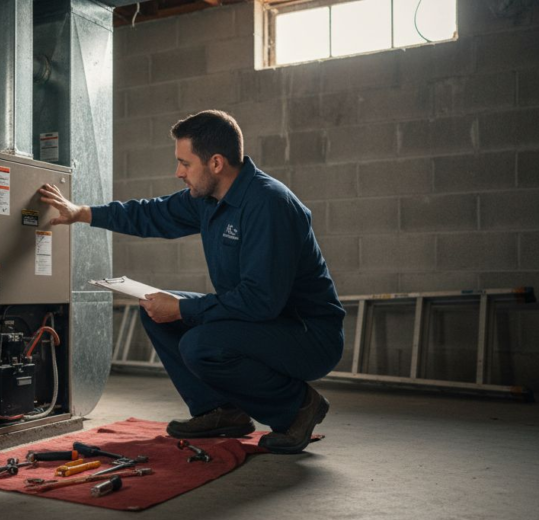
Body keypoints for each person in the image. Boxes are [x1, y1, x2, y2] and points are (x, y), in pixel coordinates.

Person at [38, 110, 345, 454]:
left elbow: (261, 300)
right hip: (264, 319)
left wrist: (184, 308)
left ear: (215, 163)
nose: (178, 172)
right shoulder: (209, 199)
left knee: (200, 344)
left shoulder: (268, 204)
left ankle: (298, 408)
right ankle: (221, 411)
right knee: (153, 307)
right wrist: (82, 213)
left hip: (308, 336)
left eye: (185, 163)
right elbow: (151, 213)